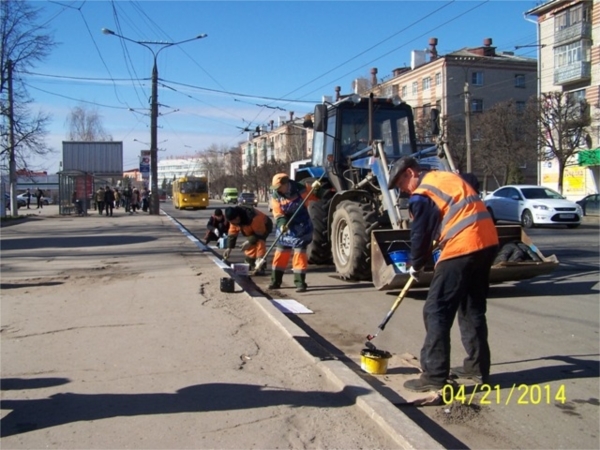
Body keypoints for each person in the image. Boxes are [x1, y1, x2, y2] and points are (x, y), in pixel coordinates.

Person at [387, 156, 499, 392]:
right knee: (472, 308)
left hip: (463, 246)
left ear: (410, 173)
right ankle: (477, 368)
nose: (403, 191)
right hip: (487, 242)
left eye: (400, 184)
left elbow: (420, 236)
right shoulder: (446, 177)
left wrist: (416, 265)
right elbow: (471, 181)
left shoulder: (422, 194)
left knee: (435, 309)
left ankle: (435, 375)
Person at [268, 173, 321, 293]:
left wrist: (318, 189)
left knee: (299, 255)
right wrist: (282, 225)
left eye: (279, 187)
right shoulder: (276, 196)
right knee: (280, 254)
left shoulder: (302, 189)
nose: (278, 190)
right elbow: (278, 213)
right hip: (286, 227)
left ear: (286, 184)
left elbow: (317, 196)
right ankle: (275, 281)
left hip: (302, 226)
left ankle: (300, 283)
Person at [223, 206, 272, 275]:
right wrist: (229, 248)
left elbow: (260, 233)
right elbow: (232, 233)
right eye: (232, 222)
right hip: (252, 230)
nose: (234, 223)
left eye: (235, 220)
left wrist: (249, 241)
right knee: (250, 245)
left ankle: (260, 267)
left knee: (259, 243)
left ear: (237, 217)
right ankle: (249, 263)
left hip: (264, 227)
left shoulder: (254, 218)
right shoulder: (234, 220)